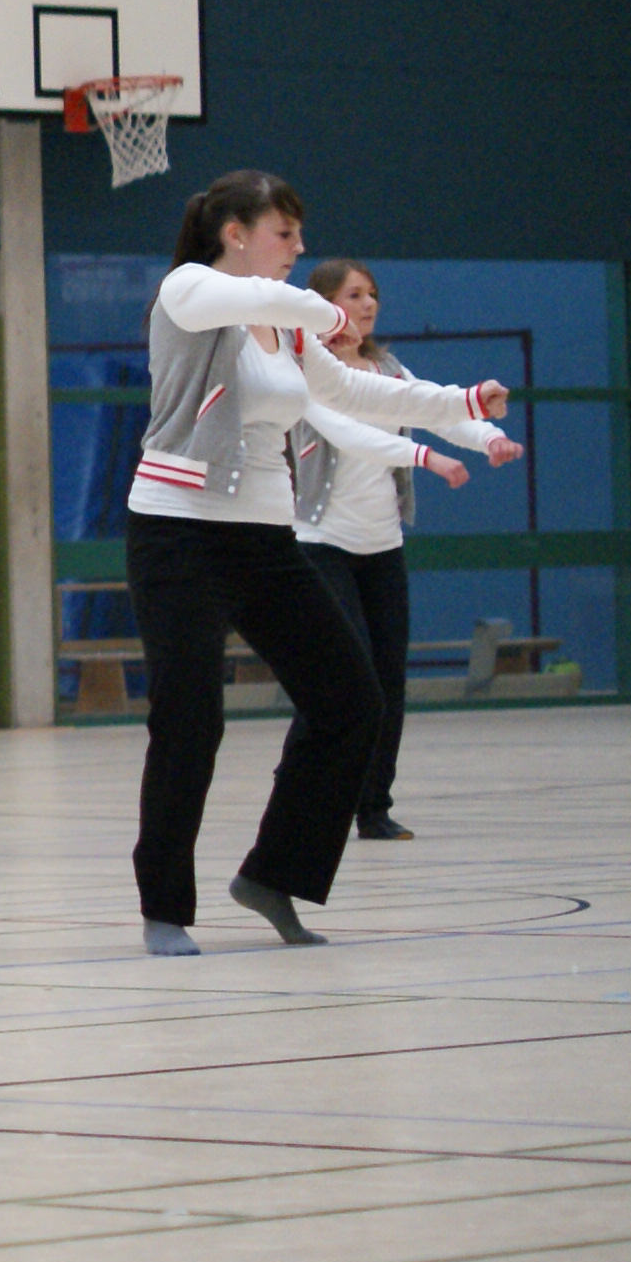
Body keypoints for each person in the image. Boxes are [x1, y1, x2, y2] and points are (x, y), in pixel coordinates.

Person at [119, 177, 501, 957]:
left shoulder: (287, 327)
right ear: (235, 233)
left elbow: (356, 391)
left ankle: (274, 875)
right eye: (285, 234)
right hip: (177, 534)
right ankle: (164, 907)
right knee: (189, 720)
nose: (298, 249)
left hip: (265, 540)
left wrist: (460, 403)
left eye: (299, 236)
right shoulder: (188, 290)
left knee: (352, 701)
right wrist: (324, 312)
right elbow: (277, 304)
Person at [292, 257, 520, 844]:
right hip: (321, 543)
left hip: (382, 544)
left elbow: (434, 407)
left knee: (388, 677)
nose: (367, 304)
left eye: (372, 294)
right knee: (345, 674)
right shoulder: (305, 368)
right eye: (353, 294)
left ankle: (373, 806)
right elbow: (353, 437)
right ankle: (307, 788)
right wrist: (424, 457)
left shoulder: (389, 369)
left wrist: (489, 437)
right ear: (322, 305)